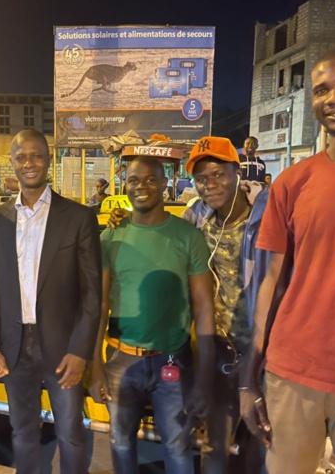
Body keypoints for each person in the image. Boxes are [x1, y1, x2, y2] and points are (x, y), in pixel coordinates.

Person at [240, 45, 335, 473]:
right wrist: (250, 376)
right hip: (291, 372)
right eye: (321, 90)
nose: (334, 98)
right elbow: (271, 283)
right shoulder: (292, 183)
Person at [0, 129, 102, 474]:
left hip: (63, 348)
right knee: (22, 432)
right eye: (21, 157)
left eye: (36, 156)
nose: (29, 163)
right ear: (12, 164)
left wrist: (81, 351)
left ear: (48, 159)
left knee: (71, 433)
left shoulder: (78, 218)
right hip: (15, 347)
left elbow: (91, 293)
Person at [89, 155, 216, 474]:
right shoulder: (109, 237)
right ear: (124, 186)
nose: (141, 186)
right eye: (133, 180)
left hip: (172, 359)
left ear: (164, 184)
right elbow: (99, 303)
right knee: (120, 443)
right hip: (120, 358)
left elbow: (203, 306)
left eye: (149, 180)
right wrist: (95, 365)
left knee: (177, 445)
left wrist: (203, 373)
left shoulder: (188, 237)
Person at [182, 136, 270, 474]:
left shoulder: (267, 215)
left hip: (262, 357)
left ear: (237, 171)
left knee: (263, 448)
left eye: (218, 174)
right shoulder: (197, 218)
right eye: (201, 179)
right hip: (219, 355)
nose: (209, 185)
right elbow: (167, 238)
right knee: (215, 452)